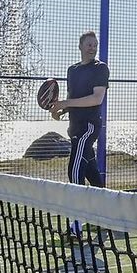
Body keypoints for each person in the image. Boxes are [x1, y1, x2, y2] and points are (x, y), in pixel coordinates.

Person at [51, 30, 109, 192]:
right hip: (74, 128)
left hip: (89, 127)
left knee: (75, 172)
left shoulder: (100, 68)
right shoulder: (72, 70)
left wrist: (65, 103)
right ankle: (108, 210)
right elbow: (71, 97)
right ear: (80, 46)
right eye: (89, 44)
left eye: (95, 45)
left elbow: (96, 98)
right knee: (94, 177)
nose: (93, 48)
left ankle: (78, 217)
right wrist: (60, 111)